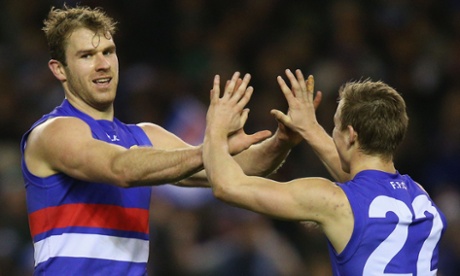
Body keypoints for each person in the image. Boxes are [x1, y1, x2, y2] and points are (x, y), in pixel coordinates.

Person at [20, 5, 301, 275]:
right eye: (87, 56)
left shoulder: (146, 135)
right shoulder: (52, 132)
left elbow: (241, 168)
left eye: (108, 52)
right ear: (59, 69)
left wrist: (283, 141)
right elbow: (120, 168)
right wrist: (212, 146)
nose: (103, 64)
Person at [203, 68, 447, 275]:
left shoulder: (332, 201)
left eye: (335, 126)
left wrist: (216, 127)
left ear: (351, 135)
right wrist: (309, 128)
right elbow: (366, 186)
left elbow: (227, 186)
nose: (331, 133)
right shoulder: (421, 196)